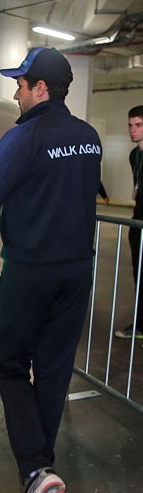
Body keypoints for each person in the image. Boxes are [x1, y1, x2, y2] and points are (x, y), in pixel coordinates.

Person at [0, 47, 101, 492]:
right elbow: (39, 186)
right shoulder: (89, 137)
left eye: (21, 84)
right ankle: (41, 471)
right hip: (77, 273)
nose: (15, 93)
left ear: (41, 88)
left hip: (31, 272)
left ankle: (34, 468)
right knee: (53, 370)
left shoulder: (24, 137)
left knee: (10, 363)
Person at [116, 105, 143, 340]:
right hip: (138, 223)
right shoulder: (134, 155)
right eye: (130, 125)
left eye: (138, 125)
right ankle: (140, 324)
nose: (132, 130)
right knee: (138, 274)